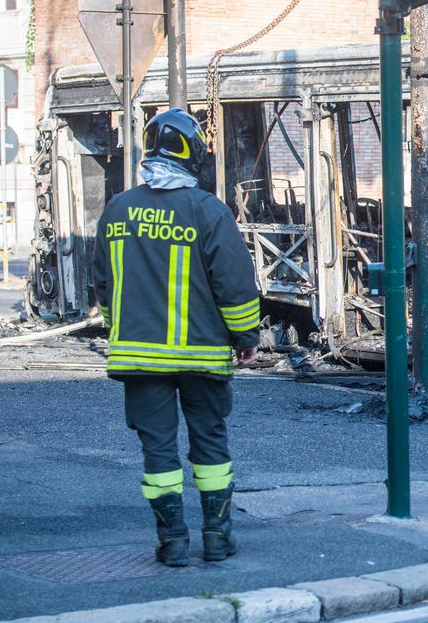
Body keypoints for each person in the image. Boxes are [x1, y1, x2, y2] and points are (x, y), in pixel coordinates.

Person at [92, 108, 261, 567]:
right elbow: (235, 285)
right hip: (203, 357)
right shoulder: (208, 211)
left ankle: (172, 543)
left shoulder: (118, 209)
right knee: (210, 445)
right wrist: (246, 336)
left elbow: (103, 285)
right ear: (194, 157)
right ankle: (217, 538)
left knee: (158, 450)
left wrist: (118, 325)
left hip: (139, 358)